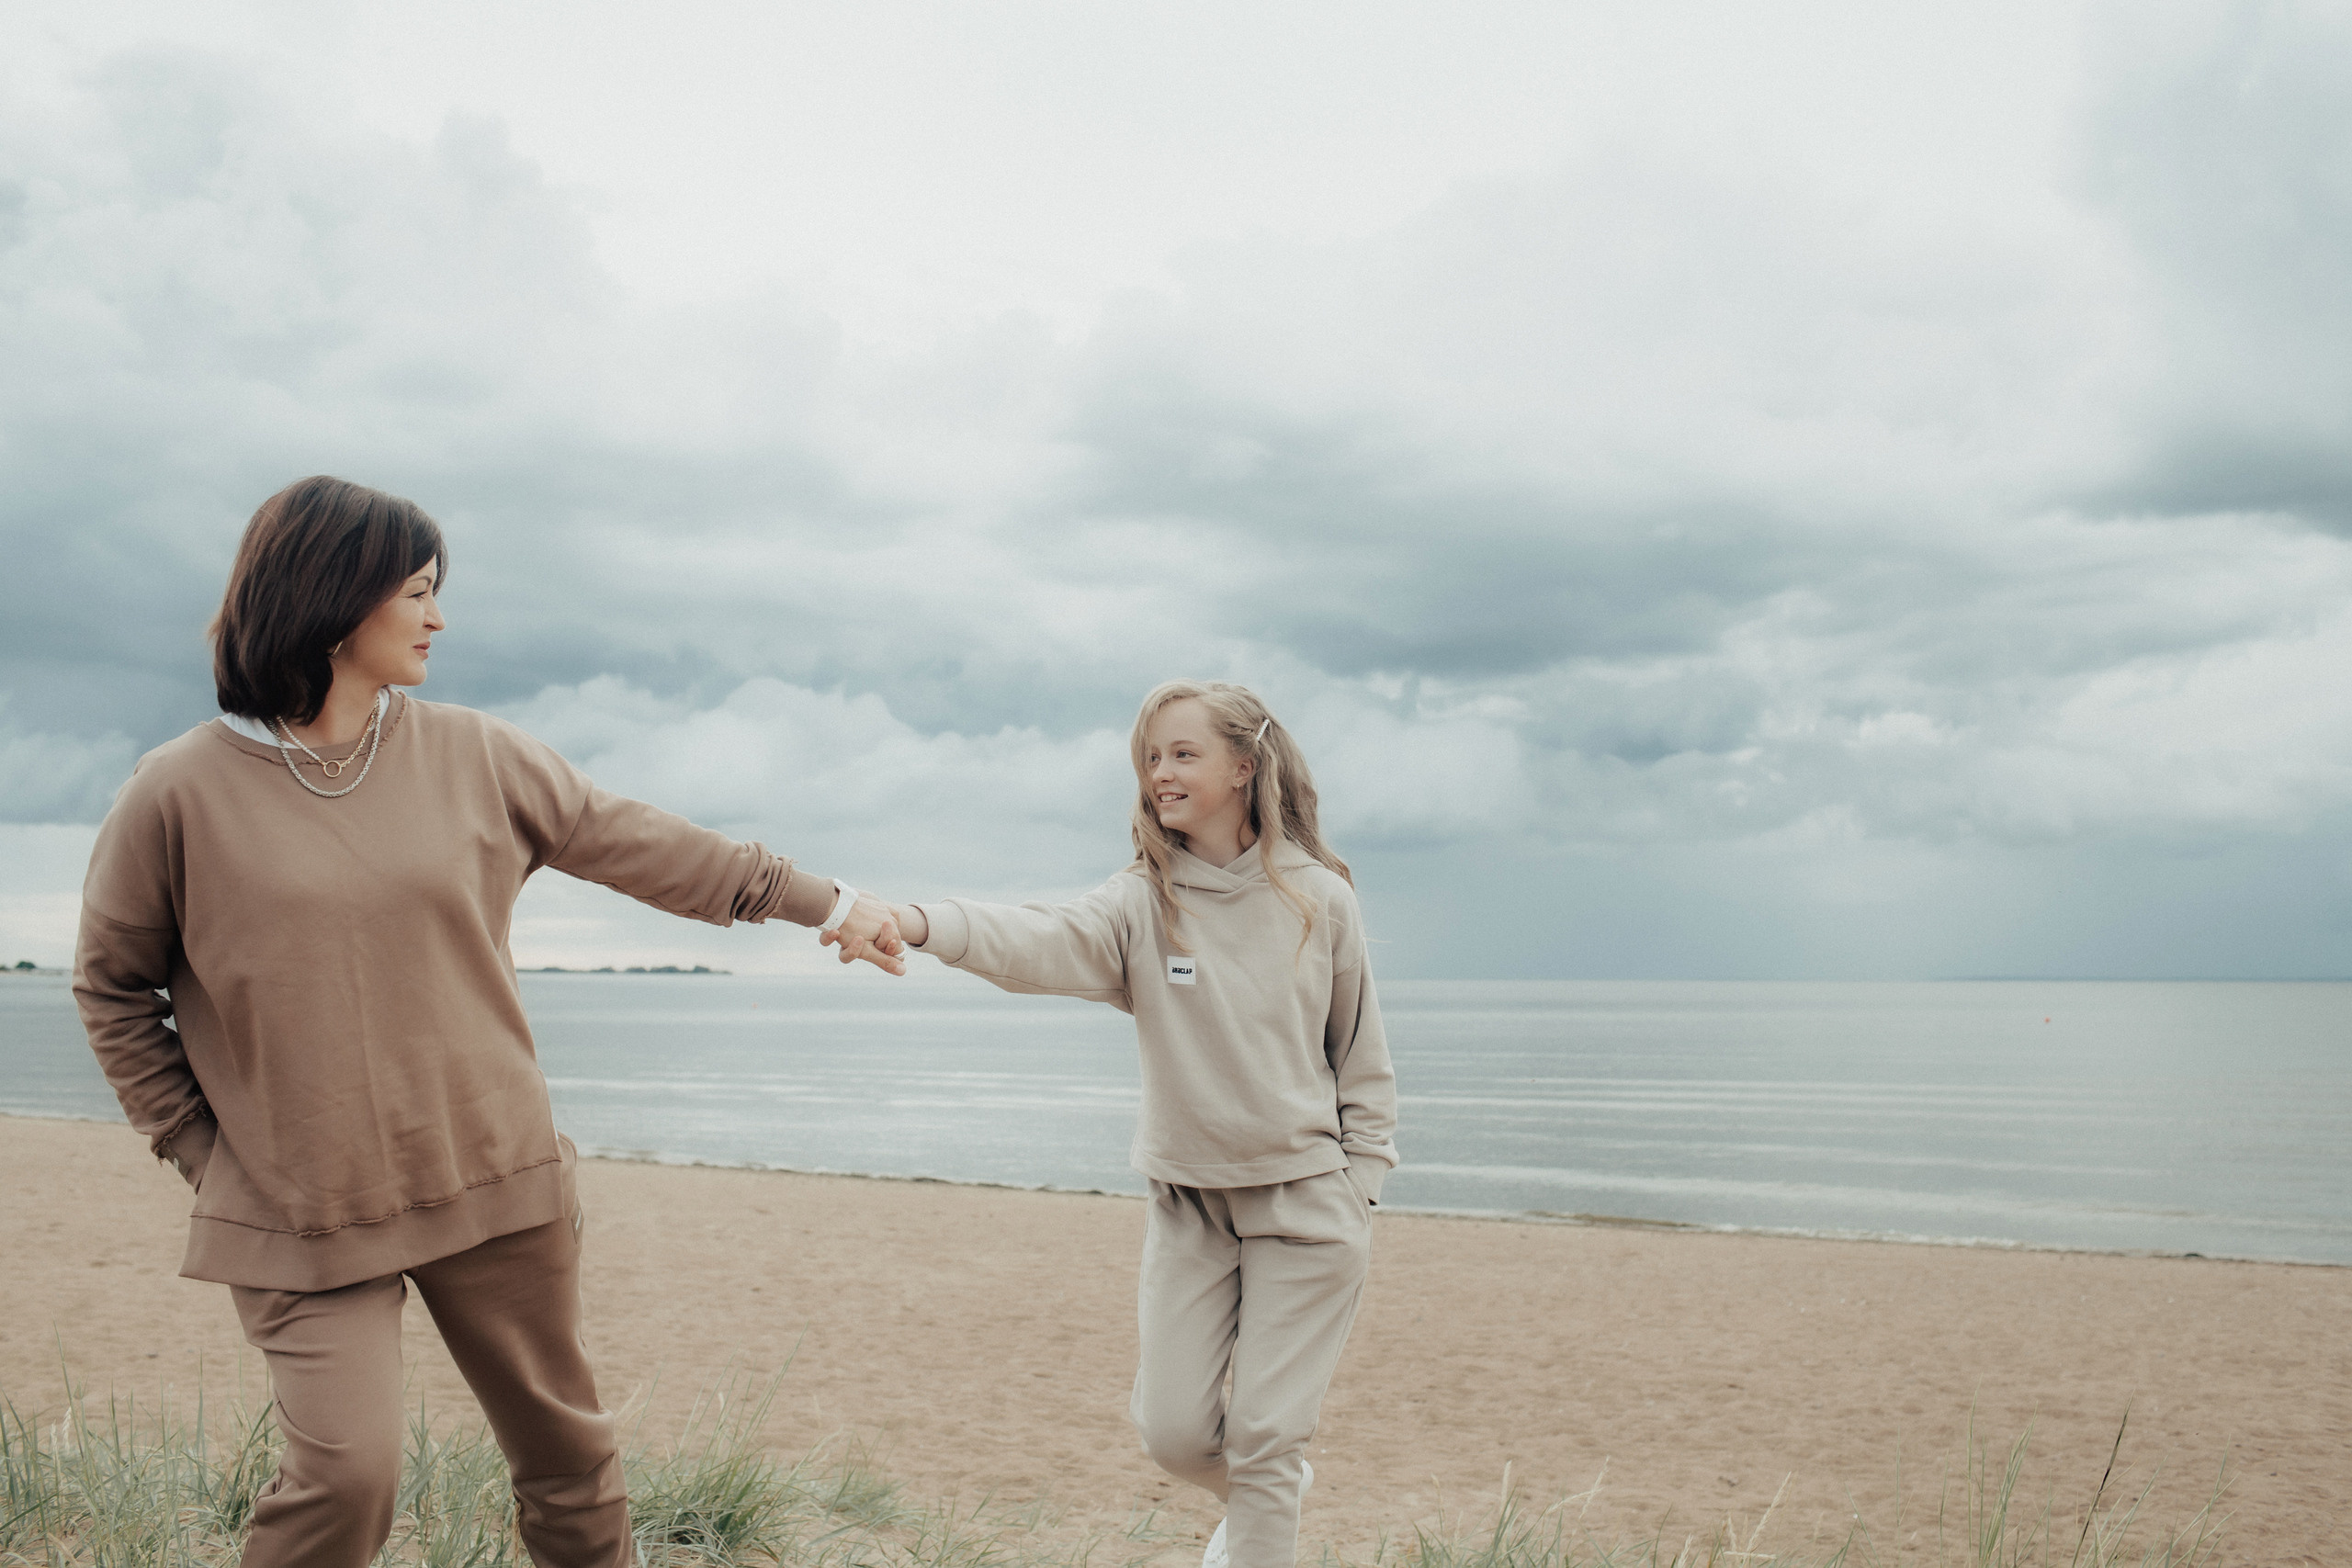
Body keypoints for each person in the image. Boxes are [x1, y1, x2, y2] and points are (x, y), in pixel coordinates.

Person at [73, 476, 907, 1568]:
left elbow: (652, 848)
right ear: (336, 595)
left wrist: (831, 904)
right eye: (417, 592)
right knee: (344, 1481)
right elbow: (110, 986)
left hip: (491, 1176)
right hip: (299, 1206)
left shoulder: (474, 754)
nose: (438, 618)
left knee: (567, 1464)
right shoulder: (176, 791)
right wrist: (202, 1150)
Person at [854, 680, 1397, 1568]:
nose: (1160, 774)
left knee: (1265, 1434)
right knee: (1174, 1433)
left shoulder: (1320, 900)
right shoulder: (1144, 901)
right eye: (1151, 757)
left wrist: (1360, 1189)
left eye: (1183, 753)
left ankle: (1265, 1496)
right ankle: (1270, 1495)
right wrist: (917, 921)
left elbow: (1362, 1062)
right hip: (1189, 1207)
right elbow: (1034, 938)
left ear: (1244, 766)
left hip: (1306, 1208)